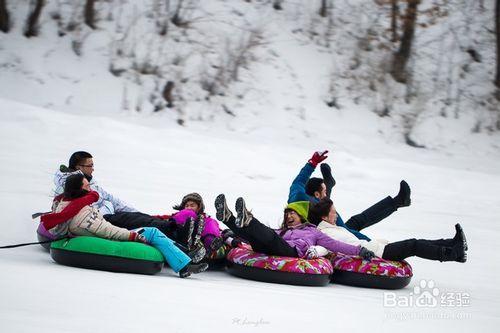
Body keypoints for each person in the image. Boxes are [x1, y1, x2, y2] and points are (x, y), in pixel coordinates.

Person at [42, 173, 208, 278]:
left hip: (108, 224)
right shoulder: (81, 214)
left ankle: (184, 255)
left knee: (150, 228)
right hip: (109, 232)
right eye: (86, 186)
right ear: (79, 189)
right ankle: (184, 264)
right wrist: (131, 235)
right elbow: (106, 231)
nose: (89, 188)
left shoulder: (73, 203)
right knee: (151, 232)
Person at [52, 151, 196, 250]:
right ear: (79, 167)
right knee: (146, 224)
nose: (93, 169)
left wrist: (136, 212)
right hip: (101, 220)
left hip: (109, 215)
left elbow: (111, 199)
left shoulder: (88, 181)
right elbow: (68, 209)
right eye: (90, 166)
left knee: (142, 217)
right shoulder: (72, 184)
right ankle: (180, 236)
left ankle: (182, 230)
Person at [288, 151, 411, 241]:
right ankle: (398, 201)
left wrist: (313, 163)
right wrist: (373, 244)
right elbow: (347, 232)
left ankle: (329, 183)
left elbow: (299, 181)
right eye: (324, 192)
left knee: (354, 221)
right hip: (332, 235)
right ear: (316, 195)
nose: (325, 196)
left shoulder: (297, 195)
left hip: (329, 227)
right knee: (357, 221)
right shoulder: (321, 213)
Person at [213, 194, 374, 260]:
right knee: (255, 234)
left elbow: (335, 245)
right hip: (271, 247)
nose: (289, 216)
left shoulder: (314, 232)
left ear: (301, 217)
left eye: (292, 214)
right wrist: (233, 233)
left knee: (269, 235)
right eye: (287, 214)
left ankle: (248, 219)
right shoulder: (283, 230)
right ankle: (228, 218)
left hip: (291, 251)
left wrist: (359, 250)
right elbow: (260, 234)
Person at [308, 197, 468, 262]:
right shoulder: (326, 233)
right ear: (323, 217)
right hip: (376, 254)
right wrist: (363, 250)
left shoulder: (332, 228)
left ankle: (452, 243)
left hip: (377, 249)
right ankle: (453, 254)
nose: (336, 214)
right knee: (413, 245)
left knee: (416, 243)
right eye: (333, 212)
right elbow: (340, 248)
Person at [155, 193, 223, 253]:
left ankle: (211, 242)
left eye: (192, 205)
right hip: (179, 234)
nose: (189, 207)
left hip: (200, 237)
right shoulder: (179, 214)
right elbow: (161, 217)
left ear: (199, 207)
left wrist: (223, 234)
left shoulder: (206, 218)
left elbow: (215, 229)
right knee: (188, 213)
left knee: (211, 221)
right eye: (186, 206)